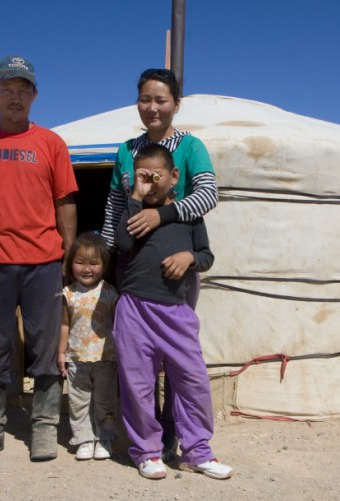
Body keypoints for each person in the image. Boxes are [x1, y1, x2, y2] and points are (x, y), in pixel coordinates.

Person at [0, 54, 78, 462]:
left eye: (23, 90)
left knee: (44, 346)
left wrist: (68, 250)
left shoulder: (51, 143)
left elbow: (65, 200)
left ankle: (43, 428)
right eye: (7, 89)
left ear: (35, 95)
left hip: (43, 259)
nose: (15, 97)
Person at [101, 68, 219, 461]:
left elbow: (207, 195)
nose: (152, 107)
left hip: (175, 272)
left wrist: (162, 217)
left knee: (179, 360)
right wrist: (104, 259)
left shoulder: (190, 146)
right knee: (139, 363)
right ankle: (147, 442)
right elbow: (115, 207)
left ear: (176, 104)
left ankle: (177, 435)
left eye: (161, 100)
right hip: (132, 272)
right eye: (145, 99)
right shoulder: (126, 149)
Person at [114, 144, 232, 480]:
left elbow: (206, 256)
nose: (150, 183)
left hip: (176, 313)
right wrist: (134, 197)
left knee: (193, 381)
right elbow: (121, 242)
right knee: (138, 385)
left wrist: (189, 258)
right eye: (142, 176)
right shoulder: (134, 211)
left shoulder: (190, 215)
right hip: (135, 310)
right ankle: (147, 452)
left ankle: (198, 451)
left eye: (156, 176)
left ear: (175, 176)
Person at [58, 232, 119, 461]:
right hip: (76, 358)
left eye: (94, 263)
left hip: (106, 358)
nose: (87, 268)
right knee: (78, 401)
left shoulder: (110, 292)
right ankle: (83, 438)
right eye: (80, 262)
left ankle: (103, 438)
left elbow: (117, 325)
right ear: (70, 262)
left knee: (105, 400)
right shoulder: (68, 293)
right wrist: (61, 352)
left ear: (104, 266)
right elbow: (65, 325)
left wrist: (120, 355)